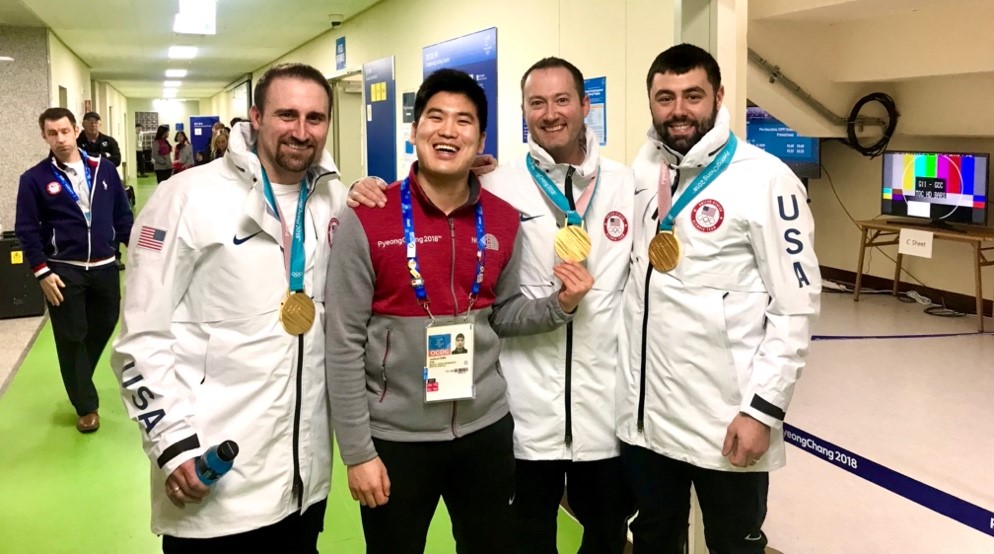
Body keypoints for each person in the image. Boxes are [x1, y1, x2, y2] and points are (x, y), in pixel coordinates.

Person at [348, 58, 635, 553]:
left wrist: (562, 305)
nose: (550, 113)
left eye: (562, 100)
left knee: (603, 534)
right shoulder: (497, 185)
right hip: (513, 414)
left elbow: (503, 307)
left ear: (586, 105)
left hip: (585, 410)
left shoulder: (629, 183)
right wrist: (363, 187)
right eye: (537, 103)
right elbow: (429, 187)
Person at [111, 63, 350, 550]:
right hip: (212, 475)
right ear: (256, 117)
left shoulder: (333, 198)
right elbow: (139, 340)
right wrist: (170, 446)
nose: (301, 132)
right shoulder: (186, 198)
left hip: (302, 480)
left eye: (315, 118)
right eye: (287, 115)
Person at [617, 43, 821, 553]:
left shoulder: (766, 179)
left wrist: (763, 412)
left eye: (693, 95)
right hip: (650, 424)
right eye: (665, 97)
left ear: (719, 97)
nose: (679, 110)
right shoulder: (644, 173)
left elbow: (795, 307)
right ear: (650, 103)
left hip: (728, 422)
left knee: (733, 544)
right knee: (654, 538)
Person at [15, 108, 133, 433]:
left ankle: (78, 377)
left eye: (65, 131)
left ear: (77, 130)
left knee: (105, 322)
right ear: (44, 136)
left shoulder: (104, 169)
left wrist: (141, 253)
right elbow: (26, 229)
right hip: (63, 271)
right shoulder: (35, 179)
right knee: (71, 336)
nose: (60, 139)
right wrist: (41, 271)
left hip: (106, 267)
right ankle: (86, 405)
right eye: (52, 133)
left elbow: (123, 218)